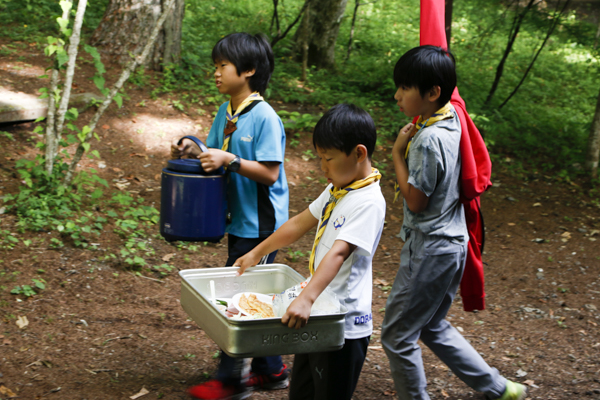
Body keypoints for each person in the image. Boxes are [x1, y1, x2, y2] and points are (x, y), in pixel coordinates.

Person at [381, 45, 527, 400]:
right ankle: (499, 388)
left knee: (397, 336)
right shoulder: (452, 117)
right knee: (430, 324)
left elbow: (415, 201)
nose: (397, 95)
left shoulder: (428, 139)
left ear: (432, 93)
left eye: (405, 87)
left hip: (430, 249)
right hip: (452, 246)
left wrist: (397, 154)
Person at [235, 103, 386, 400]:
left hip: (343, 325)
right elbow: (298, 223)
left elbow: (339, 254)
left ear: (359, 153)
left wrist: (306, 298)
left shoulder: (368, 201)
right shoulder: (338, 189)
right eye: (320, 158)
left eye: (328, 159)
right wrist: (257, 252)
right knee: (302, 392)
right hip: (319, 313)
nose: (323, 168)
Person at [171, 32, 289, 400]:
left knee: (238, 295)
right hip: (239, 221)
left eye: (222, 66)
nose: (216, 73)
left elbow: (269, 173)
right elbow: (214, 154)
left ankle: (229, 379)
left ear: (248, 70)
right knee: (255, 294)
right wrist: (197, 150)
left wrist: (232, 161)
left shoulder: (265, 117)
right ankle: (272, 371)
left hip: (263, 225)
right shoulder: (226, 111)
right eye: (216, 66)